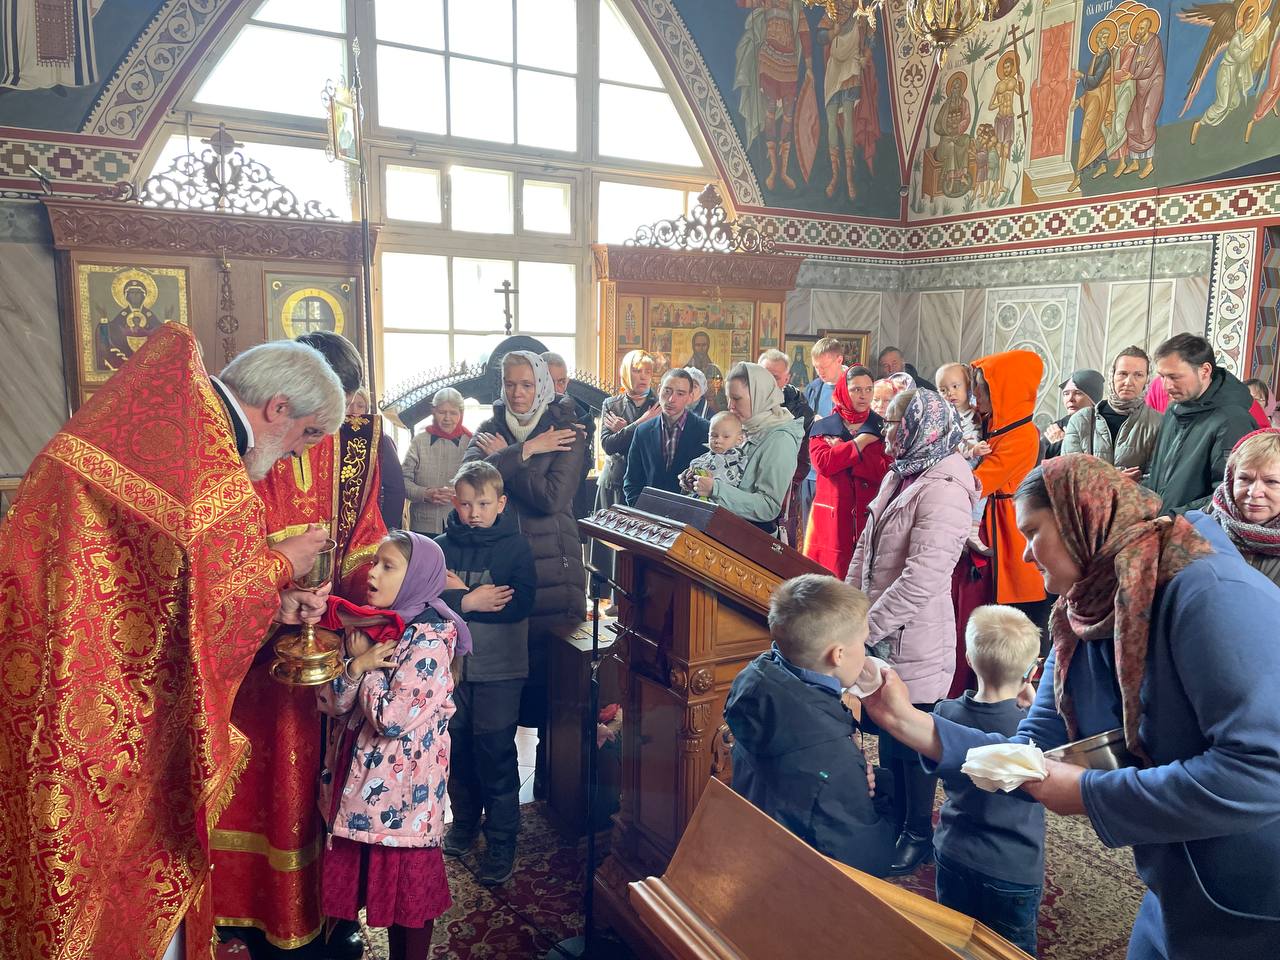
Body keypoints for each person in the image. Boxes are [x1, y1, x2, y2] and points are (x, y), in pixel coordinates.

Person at [0, 324, 339, 960]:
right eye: (308, 435)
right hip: (117, 714)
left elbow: (170, 596)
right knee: (127, 870)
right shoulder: (212, 471)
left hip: (58, 664)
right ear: (278, 409)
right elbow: (213, 601)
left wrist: (273, 601)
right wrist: (282, 564)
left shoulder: (163, 427)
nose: (298, 454)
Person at [863, 455, 1280, 960]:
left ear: (1081, 520)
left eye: (1032, 532)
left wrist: (1087, 791)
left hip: (1255, 899)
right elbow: (1028, 752)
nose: (1025, 553)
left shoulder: (1210, 594)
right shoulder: (1087, 611)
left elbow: (1262, 771)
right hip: (1177, 880)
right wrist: (903, 719)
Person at [213, 329, 389, 960]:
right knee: (245, 784)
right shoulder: (226, 442)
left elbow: (365, 537)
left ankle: (320, 912)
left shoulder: (357, 443)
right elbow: (213, 567)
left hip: (325, 652)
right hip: (241, 663)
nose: (306, 448)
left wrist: (357, 603)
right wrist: (278, 578)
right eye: (311, 431)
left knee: (319, 784)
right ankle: (236, 909)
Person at [315, 532, 465, 960]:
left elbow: (391, 718)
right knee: (358, 891)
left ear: (416, 577)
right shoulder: (374, 627)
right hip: (358, 790)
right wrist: (356, 665)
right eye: (374, 562)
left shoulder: (430, 640)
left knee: (409, 904)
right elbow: (331, 703)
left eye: (388, 566)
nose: (372, 574)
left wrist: (368, 668)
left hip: (402, 803)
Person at [847, 388, 977, 876]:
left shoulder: (945, 487)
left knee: (913, 737)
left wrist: (866, 628)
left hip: (914, 634)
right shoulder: (902, 472)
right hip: (879, 626)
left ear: (921, 428)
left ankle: (918, 832)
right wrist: (847, 608)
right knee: (886, 726)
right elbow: (865, 547)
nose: (885, 432)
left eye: (893, 424)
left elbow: (923, 578)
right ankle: (898, 817)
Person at [465, 351, 587, 795]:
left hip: (554, 572)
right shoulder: (488, 428)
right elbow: (469, 485)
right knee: (499, 694)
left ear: (542, 386)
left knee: (554, 692)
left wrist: (503, 460)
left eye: (527, 384)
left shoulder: (569, 432)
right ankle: (499, 803)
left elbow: (551, 499)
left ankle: (556, 794)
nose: (518, 393)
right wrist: (528, 450)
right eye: (510, 384)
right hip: (499, 573)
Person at [724, 574, 895, 877]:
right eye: (862, 642)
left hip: (755, 847)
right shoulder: (833, 755)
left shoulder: (759, 681)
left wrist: (855, 778)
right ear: (838, 655)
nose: (865, 651)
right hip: (801, 879)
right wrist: (882, 796)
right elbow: (866, 861)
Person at [436, 461, 537, 886]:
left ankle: (502, 838)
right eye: (465, 504)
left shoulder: (516, 548)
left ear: (501, 503)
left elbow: (518, 604)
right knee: (457, 750)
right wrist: (470, 601)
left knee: (495, 753)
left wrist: (457, 596)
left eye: (482, 504)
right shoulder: (439, 547)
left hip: (500, 670)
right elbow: (425, 602)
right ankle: (463, 822)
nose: (474, 513)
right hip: (451, 671)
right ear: (454, 502)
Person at [932, 605, 1045, 957]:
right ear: (1032, 671)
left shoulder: (945, 713)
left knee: (953, 940)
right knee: (1009, 951)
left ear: (968, 659)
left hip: (953, 849)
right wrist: (1036, 706)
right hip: (1012, 867)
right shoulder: (1034, 730)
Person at [969, 350, 1047, 612]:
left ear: (1005, 392)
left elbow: (980, 482)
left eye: (983, 389)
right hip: (990, 522)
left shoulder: (1022, 435)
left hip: (1008, 526)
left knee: (1011, 608)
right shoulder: (991, 423)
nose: (976, 395)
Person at [1144, 333, 1257, 514]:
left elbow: (1229, 493)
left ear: (1205, 371)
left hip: (1195, 528)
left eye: (1174, 377)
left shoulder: (1232, 419)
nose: (1165, 386)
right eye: (1162, 377)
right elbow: (1159, 472)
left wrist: (1176, 517)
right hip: (1161, 523)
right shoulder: (1173, 411)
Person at [691, 362, 806, 533]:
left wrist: (715, 489)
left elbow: (768, 506)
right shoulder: (747, 427)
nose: (730, 405)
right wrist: (697, 479)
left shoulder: (780, 439)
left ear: (759, 396)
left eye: (736, 398)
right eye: (729, 398)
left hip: (750, 538)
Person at [803, 365, 889, 578]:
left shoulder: (883, 427)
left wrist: (842, 451)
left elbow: (885, 470)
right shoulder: (824, 426)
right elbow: (823, 464)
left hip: (869, 514)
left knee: (865, 579)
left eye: (868, 389)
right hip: (832, 518)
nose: (864, 395)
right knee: (828, 581)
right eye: (856, 389)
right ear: (843, 390)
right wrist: (860, 443)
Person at [595, 351, 659, 613]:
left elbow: (654, 445)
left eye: (647, 371)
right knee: (613, 544)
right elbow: (608, 445)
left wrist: (625, 429)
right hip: (615, 481)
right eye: (636, 370)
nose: (642, 377)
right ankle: (614, 600)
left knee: (639, 545)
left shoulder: (659, 403)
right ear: (625, 372)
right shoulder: (612, 403)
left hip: (645, 483)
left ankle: (637, 601)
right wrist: (640, 424)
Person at [1062, 347, 1161, 480]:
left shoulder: (1157, 423)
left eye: (1138, 375)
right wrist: (1115, 480)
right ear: (1112, 376)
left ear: (1147, 379)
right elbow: (1068, 473)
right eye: (1123, 374)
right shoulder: (1081, 420)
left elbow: (1156, 479)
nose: (1128, 382)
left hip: (1135, 495)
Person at [623, 368, 710, 505]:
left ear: (690, 397)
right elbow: (632, 481)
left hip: (688, 512)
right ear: (659, 390)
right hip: (649, 511)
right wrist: (640, 509)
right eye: (667, 391)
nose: (671, 399)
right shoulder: (643, 431)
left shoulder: (706, 431)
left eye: (680, 394)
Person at [1208, 429, 1280, 587]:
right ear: (1231, 480)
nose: (1254, 492)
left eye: (1271, 482)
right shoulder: (1197, 528)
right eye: (1245, 478)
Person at [759, 347, 814, 545]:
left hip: (783, 490)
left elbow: (803, 459)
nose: (769, 382)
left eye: (775, 377)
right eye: (764, 375)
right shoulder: (747, 400)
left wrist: (781, 486)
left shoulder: (801, 410)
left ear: (786, 378)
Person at [403, 387, 472, 536]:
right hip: (423, 525)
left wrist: (461, 493)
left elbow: (480, 484)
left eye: (453, 413)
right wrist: (425, 493)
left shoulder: (471, 444)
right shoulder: (419, 442)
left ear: (461, 413)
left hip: (461, 524)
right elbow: (403, 481)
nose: (447, 418)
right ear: (433, 411)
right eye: (442, 412)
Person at [800, 338, 846, 539]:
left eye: (824, 366)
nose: (820, 372)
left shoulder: (854, 386)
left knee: (831, 532)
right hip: (810, 470)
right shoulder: (814, 388)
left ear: (839, 360)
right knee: (808, 532)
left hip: (837, 471)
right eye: (816, 367)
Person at [346, 383, 405, 530]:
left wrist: (386, 527)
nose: (354, 411)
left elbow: (395, 489)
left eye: (360, 406)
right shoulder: (329, 438)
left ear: (366, 410)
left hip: (372, 523)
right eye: (349, 405)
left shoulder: (380, 440)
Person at [543, 350, 597, 488]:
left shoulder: (582, 416)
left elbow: (582, 469)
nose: (555, 389)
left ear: (567, 382)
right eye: (549, 381)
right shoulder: (523, 412)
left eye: (561, 382)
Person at [680, 410, 748, 497]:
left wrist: (713, 485)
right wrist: (687, 479)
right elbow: (687, 485)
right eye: (714, 435)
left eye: (726, 436)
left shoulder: (740, 461)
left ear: (739, 439)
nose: (717, 440)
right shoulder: (700, 460)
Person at [1041, 368, 1103, 459]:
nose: (1070, 399)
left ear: (1093, 399)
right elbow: (1039, 462)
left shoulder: (1104, 426)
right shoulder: (1056, 428)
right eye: (1066, 394)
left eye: (1078, 393)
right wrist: (1059, 445)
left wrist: (1066, 443)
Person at [685, 330, 726, 411]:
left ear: (708, 346)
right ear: (693, 346)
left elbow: (720, 396)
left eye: (704, 345)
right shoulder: (686, 371)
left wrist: (713, 397)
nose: (701, 348)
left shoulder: (715, 371)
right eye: (698, 345)